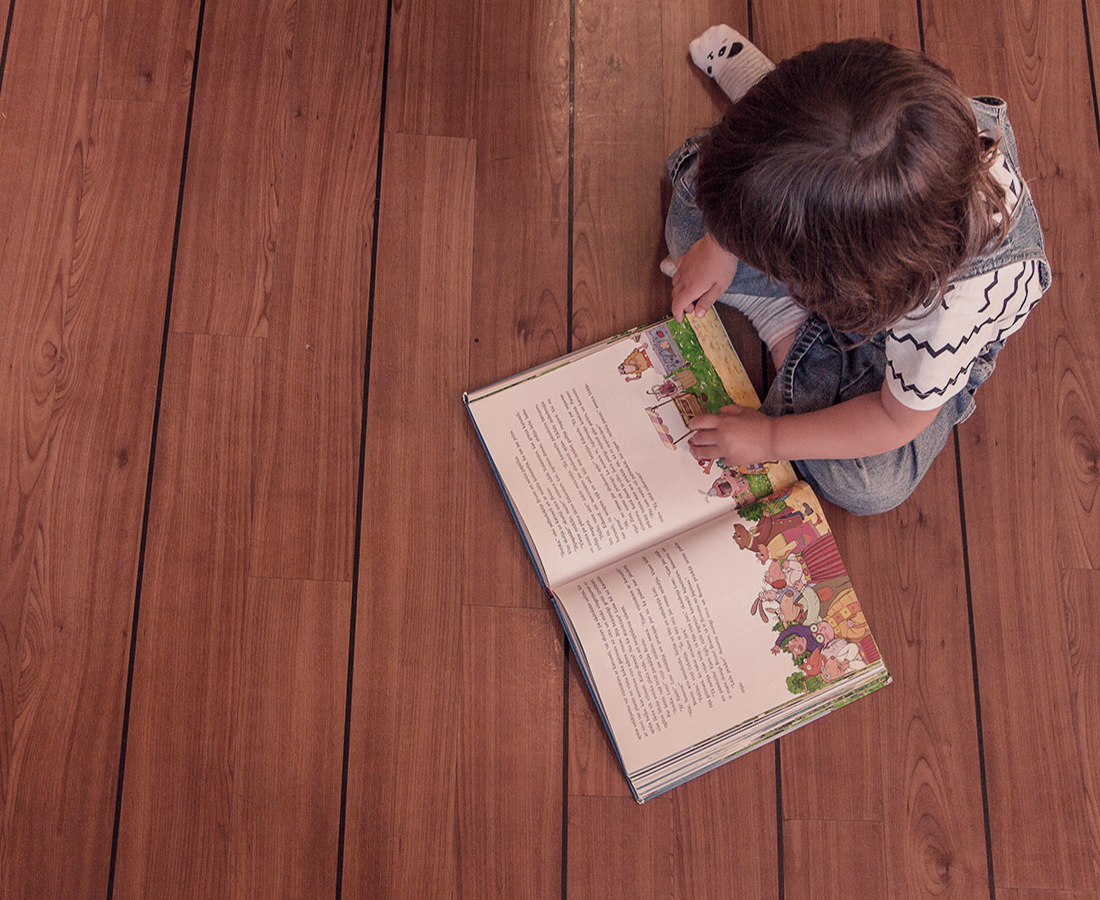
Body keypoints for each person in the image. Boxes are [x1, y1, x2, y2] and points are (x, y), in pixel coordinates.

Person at [664, 28, 1051, 514]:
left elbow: (895, 420)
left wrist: (770, 438)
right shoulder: (905, 117)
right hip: (849, 222)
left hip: (908, 341)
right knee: (696, 223)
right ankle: (763, 147)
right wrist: (721, 239)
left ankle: (783, 317)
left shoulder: (949, 318)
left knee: (869, 485)